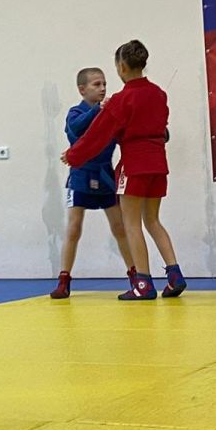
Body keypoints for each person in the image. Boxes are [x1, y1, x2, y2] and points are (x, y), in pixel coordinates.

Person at [63, 41, 186, 301]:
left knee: (131, 224)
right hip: (158, 164)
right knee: (153, 221)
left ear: (121, 67)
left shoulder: (122, 99)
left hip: (134, 165)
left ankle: (143, 283)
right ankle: (175, 275)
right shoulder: (159, 94)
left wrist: (74, 156)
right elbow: (162, 128)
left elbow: (97, 134)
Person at [49, 67, 136, 299]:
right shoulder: (75, 112)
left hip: (105, 176)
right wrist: (98, 110)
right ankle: (64, 278)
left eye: (104, 84)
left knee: (120, 227)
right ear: (82, 89)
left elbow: (125, 133)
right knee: (74, 228)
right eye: (97, 84)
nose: (103, 88)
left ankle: (135, 275)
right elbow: (77, 130)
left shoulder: (109, 114)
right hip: (79, 177)